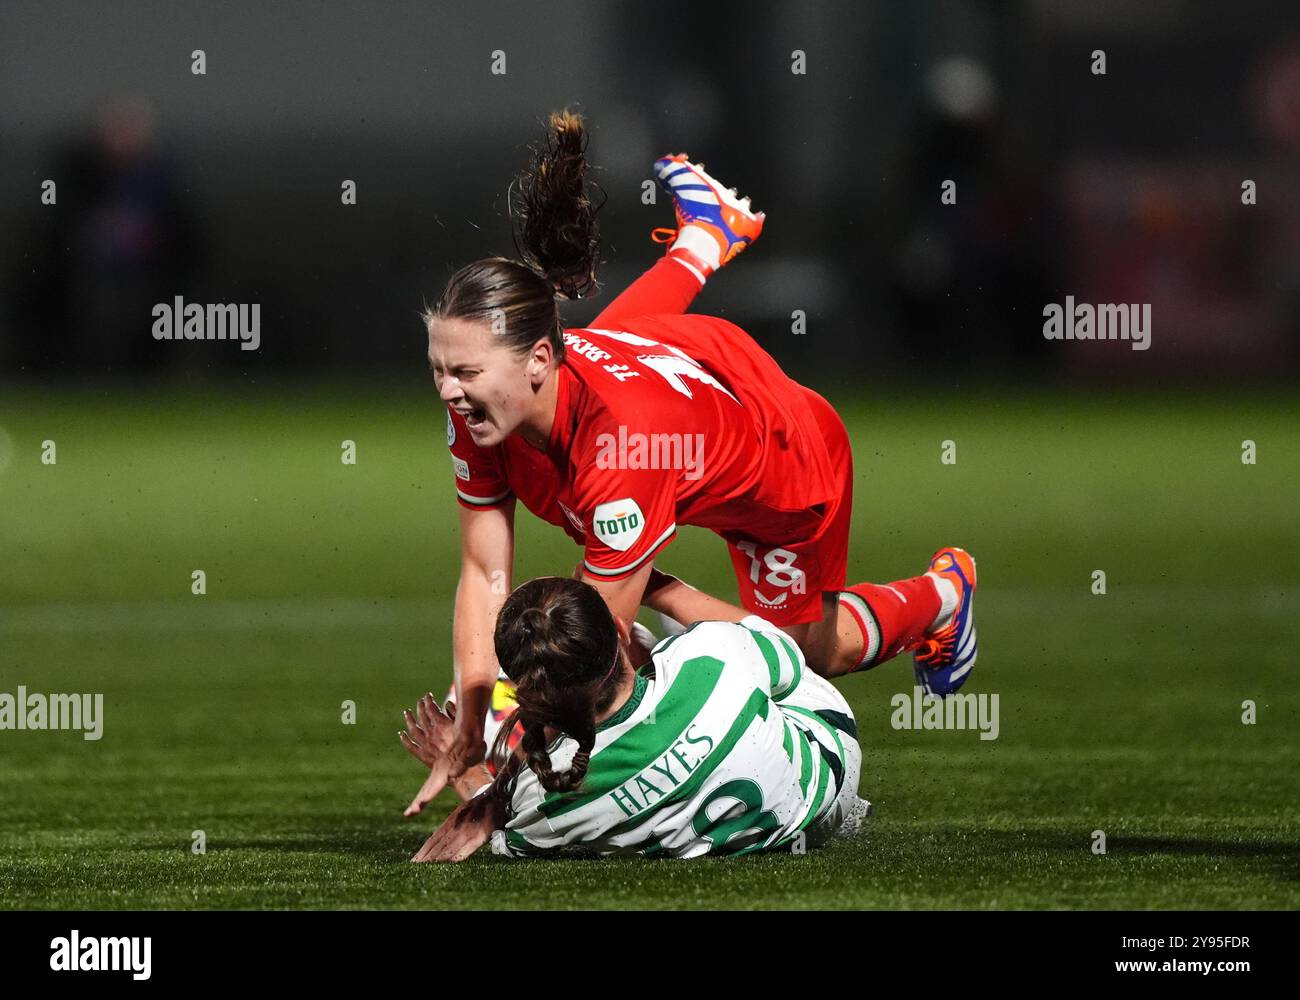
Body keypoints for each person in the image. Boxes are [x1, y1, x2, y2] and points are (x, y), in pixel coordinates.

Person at [413, 108, 978, 816]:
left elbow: (597, 652)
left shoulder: (621, 464)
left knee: (808, 654)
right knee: (611, 342)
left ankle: (944, 595)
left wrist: (498, 767)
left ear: (535, 361)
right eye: (440, 369)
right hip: (688, 368)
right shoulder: (496, 395)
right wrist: (474, 707)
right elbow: (483, 569)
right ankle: (708, 235)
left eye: (463, 371)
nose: (446, 390)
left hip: (785, 454)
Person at [401, 576, 870, 861]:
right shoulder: (711, 658)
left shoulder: (543, 799)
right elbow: (788, 663)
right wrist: (653, 582)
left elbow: (504, 831)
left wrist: (468, 778)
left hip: (769, 832)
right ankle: (662, 600)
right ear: (616, 633)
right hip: (829, 760)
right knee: (723, 640)